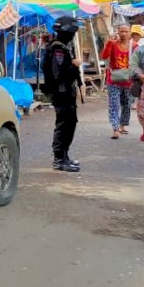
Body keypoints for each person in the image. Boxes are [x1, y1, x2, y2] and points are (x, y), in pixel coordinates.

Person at [40, 16, 82, 173]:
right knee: (64, 124)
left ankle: (64, 157)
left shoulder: (61, 46)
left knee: (69, 123)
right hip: (61, 92)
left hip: (64, 92)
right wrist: (73, 65)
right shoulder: (58, 48)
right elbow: (59, 75)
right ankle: (59, 159)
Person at [101, 24, 134, 139]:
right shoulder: (112, 44)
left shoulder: (134, 46)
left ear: (130, 33)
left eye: (126, 31)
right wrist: (109, 42)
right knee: (113, 104)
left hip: (129, 81)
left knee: (127, 104)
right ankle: (115, 128)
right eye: (121, 31)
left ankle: (122, 125)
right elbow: (104, 56)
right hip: (113, 79)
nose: (123, 34)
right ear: (117, 32)